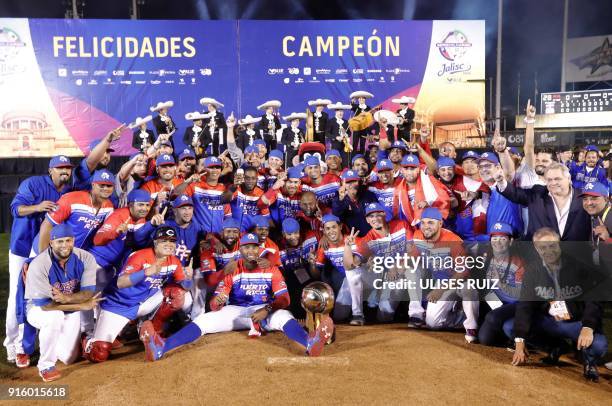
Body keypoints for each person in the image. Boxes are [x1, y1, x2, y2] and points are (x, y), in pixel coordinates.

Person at [138, 233, 334, 361]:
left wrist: (266, 309)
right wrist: (218, 301)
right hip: (237, 312)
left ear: (259, 249)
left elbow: (285, 300)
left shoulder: (270, 268)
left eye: (254, 247)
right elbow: (215, 304)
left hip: (265, 310)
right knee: (205, 319)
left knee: (285, 316)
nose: (250, 251)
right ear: (240, 250)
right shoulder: (232, 269)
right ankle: (162, 347)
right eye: (246, 247)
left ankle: (310, 342)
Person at [506, 228, 607, 382]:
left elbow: (595, 299)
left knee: (599, 344)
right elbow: (525, 306)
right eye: (543, 247)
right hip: (549, 321)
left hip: (576, 323)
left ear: (559, 244)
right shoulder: (532, 270)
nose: (549, 251)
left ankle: (589, 361)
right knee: (511, 328)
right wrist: (519, 342)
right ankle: (555, 347)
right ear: (536, 249)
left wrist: (588, 326)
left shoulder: (579, 265)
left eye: (552, 245)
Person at [83, 226, 190, 363]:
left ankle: (154, 330)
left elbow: (184, 286)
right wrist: (145, 273)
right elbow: (121, 282)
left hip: (144, 303)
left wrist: (188, 279)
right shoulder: (140, 256)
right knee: (99, 353)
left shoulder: (174, 261)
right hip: (119, 305)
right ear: (155, 242)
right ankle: (89, 340)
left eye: (172, 241)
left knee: (176, 293)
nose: (169, 244)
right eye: (164, 241)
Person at [6, 155, 73, 365]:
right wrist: (37, 207)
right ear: (50, 170)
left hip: (46, 252)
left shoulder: (69, 191)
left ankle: (45, 341)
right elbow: (15, 208)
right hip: (23, 248)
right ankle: (13, 345)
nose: (65, 171)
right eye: (60, 168)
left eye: (68, 168)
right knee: (17, 297)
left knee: (42, 296)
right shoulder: (33, 184)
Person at [24, 224, 102, 381]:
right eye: (60, 241)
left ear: (73, 241)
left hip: (69, 308)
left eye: (68, 240)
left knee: (68, 358)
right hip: (38, 308)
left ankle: (53, 336)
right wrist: (80, 305)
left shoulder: (85, 258)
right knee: (54, 318)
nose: (65, 245)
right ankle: (46, 365)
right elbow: (47, 306)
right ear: (51, 243)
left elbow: (88, 293)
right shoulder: (40, 264)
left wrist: (68, 299)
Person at [410, 208, 478, 342]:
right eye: (423, 223)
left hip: (460, 281)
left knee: (469, 289)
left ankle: (472, 327)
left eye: (430, 223)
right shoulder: (418, 235)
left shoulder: (453, 240)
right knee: (432, 324)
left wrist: (440, 289)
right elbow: (413, 257)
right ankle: (460, 317)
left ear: (440, 224)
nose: (426, 227)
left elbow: (463, 271)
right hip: (440, 282)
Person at [344, 203, 415, 323]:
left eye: (378, 215)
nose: (375, 219)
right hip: (382, 277)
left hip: (402, 272)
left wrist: (396, 265)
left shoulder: (401, 225)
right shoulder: (368, 239)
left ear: (384, 214)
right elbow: (350, 266)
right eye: (371, 217)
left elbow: (412, 251)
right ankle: (357, 315)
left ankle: (416, 315)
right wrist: (347, 247)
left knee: (385, 315)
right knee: (352, 274)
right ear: (367, 220)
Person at [495, 162, 591, 241]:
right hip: (540, 257)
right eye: (549, 180)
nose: (553, 183)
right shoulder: (538, 194)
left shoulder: (584, 197)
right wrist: (501, 181)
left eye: (557, 179)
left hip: (576, 256)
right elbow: (515, 194)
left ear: (569, 179)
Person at [37, 169, 116, 254]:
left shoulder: (109, 207)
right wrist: (43, 256)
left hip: (73, 254)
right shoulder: (71, 199)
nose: (105, 188)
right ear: (93, 185)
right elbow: (47, 224)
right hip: (47, 248)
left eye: (109, 186)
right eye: (102, 185)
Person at [477, 223, 525, 346]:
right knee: (484, 339)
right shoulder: (486, 258)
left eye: (503, 238)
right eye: (494, 238)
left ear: (511, 241)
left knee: (492, 322)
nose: (498, 242)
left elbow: (519, 294)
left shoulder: (520, 263)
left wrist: (500, 283)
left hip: (514, 304)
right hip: (495, 301)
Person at [315, 215, 364, 325]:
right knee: (339, 315)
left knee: (352, 275)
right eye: (327, 228)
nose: (331, 231)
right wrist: (311, 263)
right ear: (324, 231)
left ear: (340, 227)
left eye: (334, 227)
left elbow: (357, 264)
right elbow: (316, 272)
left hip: (364, 278)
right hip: (346, 282)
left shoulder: (354, 240)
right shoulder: (324, 247)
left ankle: (358, 315)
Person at [332, 170, 378, 236]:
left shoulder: (368, 195)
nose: (352, 185)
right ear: (343, 184)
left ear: (359, 182)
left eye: (354, 181)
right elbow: (337, 217)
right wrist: (340, 200)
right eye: (348, 182)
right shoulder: (338, 200)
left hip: (374, 234)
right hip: (356, 238)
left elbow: (377, 214)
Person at [228, 165, 269, 232]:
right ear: (243, 178)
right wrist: (234, 186)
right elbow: (224, 200)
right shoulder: (235, 188)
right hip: (234, 232)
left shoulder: (261, 194)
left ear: (257, 179)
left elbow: (265, 217)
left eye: (253, 178)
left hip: (251, 234)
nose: (250, 181)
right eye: (247, 178)